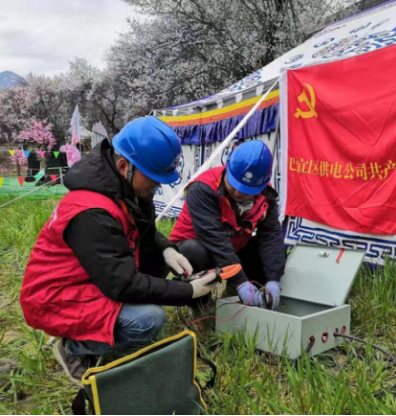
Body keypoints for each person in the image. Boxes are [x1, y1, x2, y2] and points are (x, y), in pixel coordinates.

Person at [20, 116, 218, 384]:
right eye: (153, 178)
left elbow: (146, 233)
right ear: (125, 166)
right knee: (149, 319)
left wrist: (167, 250)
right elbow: (122, 284)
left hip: (91, 279)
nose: (157, 186)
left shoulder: (128, 190)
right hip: (57, 297)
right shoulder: (91, 211)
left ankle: (94, 331)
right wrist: (187, 292)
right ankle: (75, 348)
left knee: (160, 263)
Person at [170, 140, 285, 310]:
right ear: (227, 168)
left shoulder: (266, 196)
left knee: (273, 252)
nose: (238, 192)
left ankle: (230, 301)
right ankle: (199, 306)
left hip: (232, 250)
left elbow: (271, 236)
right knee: (193, 252)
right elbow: (214, 239)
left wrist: (273, 279)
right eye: (235, 184)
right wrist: (241, 281)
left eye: (247, 190)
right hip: (197, 251)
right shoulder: (203, 189)